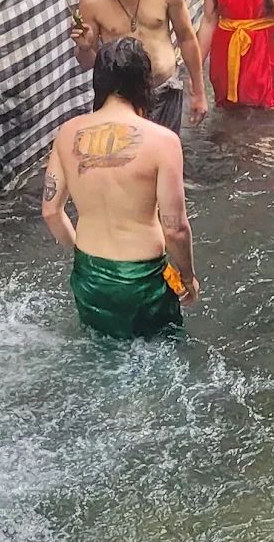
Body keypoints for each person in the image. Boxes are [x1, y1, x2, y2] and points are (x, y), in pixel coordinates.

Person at [41, 38, 198, 338]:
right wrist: (188, 278)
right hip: (142, 279)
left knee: (101, 352)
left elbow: (50, 211)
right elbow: (175, 228)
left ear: (98, 82)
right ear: (144, 83)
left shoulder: (67, 134)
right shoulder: (163, 142)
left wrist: (83, 258)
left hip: (89, 278)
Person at [71, 0, 207, 134]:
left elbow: (187, 38)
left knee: (166, 156)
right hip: (120, 100)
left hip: (164, 91)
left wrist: (198, 91)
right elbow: (89, 64)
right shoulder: (92, 0)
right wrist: (85, 48)